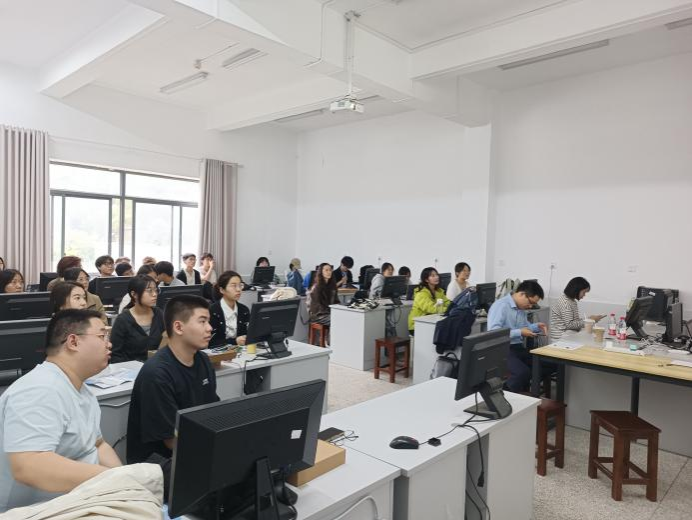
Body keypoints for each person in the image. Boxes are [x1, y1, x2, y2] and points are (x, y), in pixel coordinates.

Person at [0, 309, 120, 512]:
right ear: (73, 342)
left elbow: (97, 445)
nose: (109, 344)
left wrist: (125, 479)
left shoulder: (81, 389)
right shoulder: (41, 389)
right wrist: (109, 479)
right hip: (32, 510)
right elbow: (28, 465)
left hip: (75, 500)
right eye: (102, 336)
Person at [126, 295, 218, 465]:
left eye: (209, 321)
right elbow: (171, 441)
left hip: (192, 447)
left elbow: (212, 411)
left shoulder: (203, 360)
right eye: (202, 321)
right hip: (158, 462)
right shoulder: (157, 374)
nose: (210, 328)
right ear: (178, 327)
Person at [487, 280, 548, 392]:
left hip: (516, 347)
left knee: (545, 365)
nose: (530, 306)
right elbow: (493, 332)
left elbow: (524, 327)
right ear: (522, 294)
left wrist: (536, 326)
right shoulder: (501, 306)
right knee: (522, 373)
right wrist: (519, 332)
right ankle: (503, 394)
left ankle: (523, 391)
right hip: (500, 349)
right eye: (530, 302)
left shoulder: (521, 308)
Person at [110, 275, 165, 363]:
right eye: (149, 291)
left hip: (156, 365)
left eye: (156, 290)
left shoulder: (159, 314)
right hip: (130, 369)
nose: (155, 294)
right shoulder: (123, 320)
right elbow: (115, 355)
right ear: (134, 294)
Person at [550, 277, 606, 341]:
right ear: (576, 290)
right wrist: (590, 321)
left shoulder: (572, 301)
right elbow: (569, 325)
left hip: (568, 334)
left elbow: (574, 321)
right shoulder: (565, 303)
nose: (584, 295)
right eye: (584, 292)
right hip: (561, 337)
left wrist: (589, 319)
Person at [209, 271, 250, 347]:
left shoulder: (244, 310)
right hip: (219, 352)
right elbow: (210, 342)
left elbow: (248, 334)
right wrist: (235, 341)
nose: (238, 289)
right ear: (222, 290)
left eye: (240, 285)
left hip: (241, 351)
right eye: (233, 286)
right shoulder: (212, 311)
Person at [408, 267, 451, 333]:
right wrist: (449, 309)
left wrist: (453, 306)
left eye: (436, 275)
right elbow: (431, 308)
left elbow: (447, 302)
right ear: (426, 279)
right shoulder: (421, 294)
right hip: (417, 325)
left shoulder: (439, 291)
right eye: (433, 276)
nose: (436, 277)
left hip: (432, 321)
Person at [309, 263, 339, 327]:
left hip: (329, 313)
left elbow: (336, 301)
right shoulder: (316, 287)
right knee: (337, 320)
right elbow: (318, 306)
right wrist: (332, 313)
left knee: (344, 317)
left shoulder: (332, 287)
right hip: (318, 315)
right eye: (326, 270)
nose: (329, 272)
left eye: (330, 270)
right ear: (321, 272)